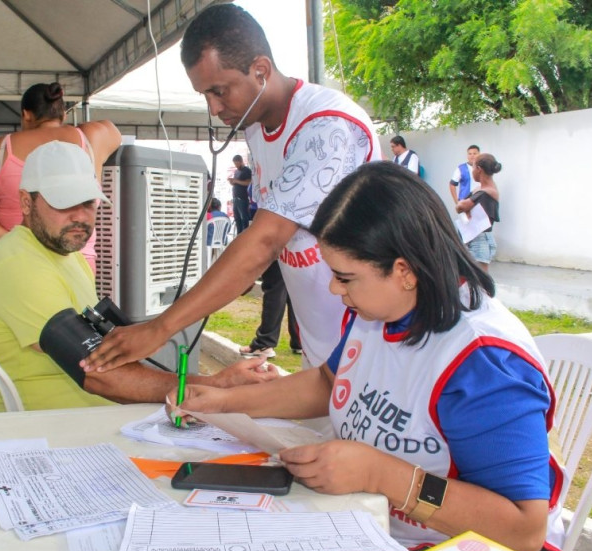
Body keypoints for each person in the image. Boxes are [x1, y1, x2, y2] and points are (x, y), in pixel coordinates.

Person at [169, 162, 566, 551]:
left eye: (345, 277)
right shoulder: (378, 312)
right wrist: (223, 402)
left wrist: (380, 474)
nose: (332, 287)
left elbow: (523, 531)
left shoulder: (483, 364)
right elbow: (328, 383)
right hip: (367, 527)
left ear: (404, 271)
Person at [84, 3, 382, 374]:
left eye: (220, 91)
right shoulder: (257, 127)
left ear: (260, 70)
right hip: (322, 345)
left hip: (366, 343)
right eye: (205, 95)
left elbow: (266, 240)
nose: (212, 108)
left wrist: (159, 329)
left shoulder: (327, 127)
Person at [0, 141, 278, 412]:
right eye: (63, 203)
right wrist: (216, 385)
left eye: (88, 203)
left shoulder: (65, 254)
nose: (80, 217)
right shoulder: (20, 266)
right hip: (58, 433)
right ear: (26, 201)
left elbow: (105, 353)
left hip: (97, 418)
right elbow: (98, 374)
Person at [0, 82, 120, 248]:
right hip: (76, 264)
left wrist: (11, 243)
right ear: (63, 114)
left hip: (16, 261)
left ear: (26, 114)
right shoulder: (92, 138)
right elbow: (113, 131)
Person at [239, 260, 301, 358]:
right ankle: (300, 342)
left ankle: (265, 344)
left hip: (279, 251)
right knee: (294, 290)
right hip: (298, 251)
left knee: (275, 289)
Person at [455, 153, 501, 271]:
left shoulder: (487, 191)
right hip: (474, 237)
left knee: (480, 281)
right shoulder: (481, 189)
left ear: (479, 169)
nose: (472, 171)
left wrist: (465, 208)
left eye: (473, 167)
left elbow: (460, 206)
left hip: (480, 240)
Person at [227, 154, 252, 233]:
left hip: (242, 199)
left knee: (244, 220)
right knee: (237, 220)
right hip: (235, 198)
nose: (236, 165)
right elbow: (237, 183)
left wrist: (236, 181)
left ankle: (245, 238)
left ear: (241, 161)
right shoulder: (236, 171)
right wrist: (232, 182)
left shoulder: (247, 170)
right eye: (234, 164)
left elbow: (248, 182)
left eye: (237, 163)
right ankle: (239, 236)